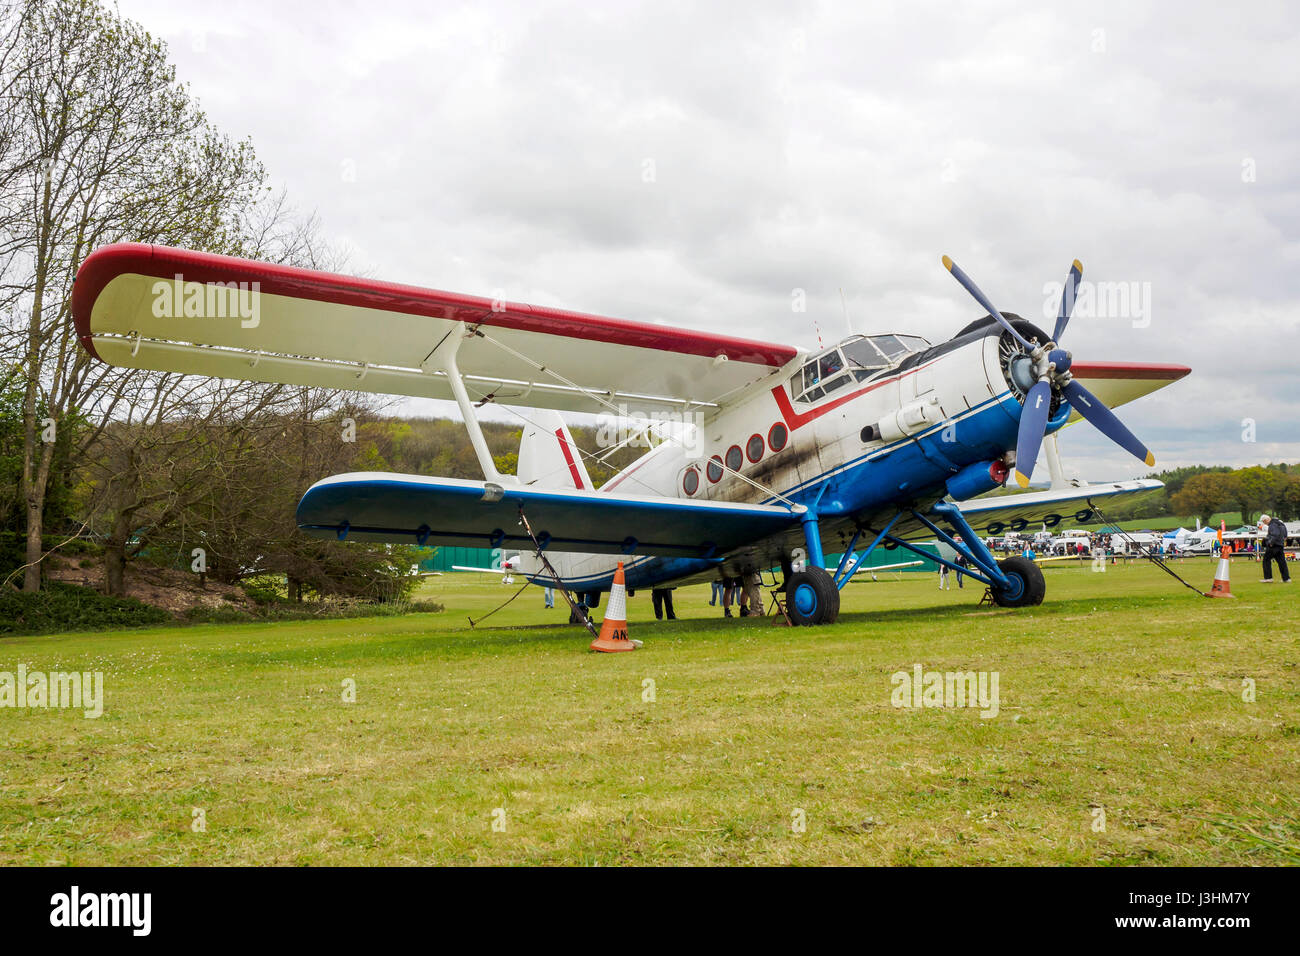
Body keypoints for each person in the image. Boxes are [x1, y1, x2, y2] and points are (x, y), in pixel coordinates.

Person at [1259, 514, 1291, 583]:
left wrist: (1270, 542)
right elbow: (1285, 534)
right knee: (1282, 562)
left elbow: (1275, 534)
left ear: (1267, 519)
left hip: (1274, 545)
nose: (1265, 523)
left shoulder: (1272, 525)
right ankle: (1286, 578)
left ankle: (1268, 578)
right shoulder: (1280, 523)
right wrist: (1282, 540)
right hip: (1280, 545)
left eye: (1264, 522)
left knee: (1266, 560)